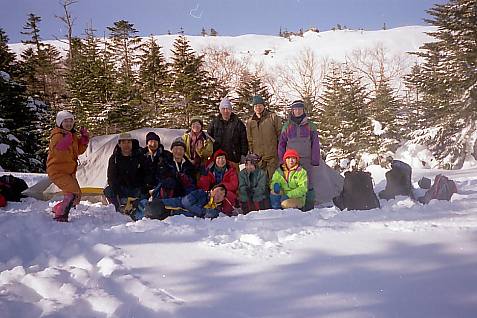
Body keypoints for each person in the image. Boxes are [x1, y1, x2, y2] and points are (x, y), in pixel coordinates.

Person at [46, 110, 89, 222]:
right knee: (72, 193)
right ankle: (61, 215)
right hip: (57, 171)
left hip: (69, 171)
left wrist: (84, 140)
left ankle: (57, 208)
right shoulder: (57, 135)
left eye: (71, 121)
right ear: (60, 122)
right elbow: (57, 150)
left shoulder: (72, 136)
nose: (69, 123)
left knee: (77, 197)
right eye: (66, 121)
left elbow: (78, 151)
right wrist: (63, 143)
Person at [278, 100, 320, 210]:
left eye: (299, 109)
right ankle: (293, 206)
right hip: (291, 160)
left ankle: (309, 206)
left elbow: (315, 143)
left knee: (308, 183)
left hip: (306, 158)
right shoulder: (287, 126)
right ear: (292, 111)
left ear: (303, 110)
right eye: (295, 109)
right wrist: (282, 160)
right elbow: (281, 144)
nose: (297, 111)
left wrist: (315, 159)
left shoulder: (310, 126)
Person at [104, 133, 145, 213]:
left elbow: (145, 173)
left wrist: (141, 185)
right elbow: (111, 177)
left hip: (135, 188)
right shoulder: (114, 158)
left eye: (129, 142)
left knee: (144, 193)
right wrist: (117, 189)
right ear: (119, 144)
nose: (126, 145)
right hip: (121, 189)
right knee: (108, 190)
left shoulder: (139, 157)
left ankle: (135, 206)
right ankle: (118, 207)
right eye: (123, 142)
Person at [246, 95, 282, 178]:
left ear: (263, 106)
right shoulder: (250, 122)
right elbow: (249, 139)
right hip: (258, 158)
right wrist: (251, 153)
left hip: (272, 157)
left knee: (273, 181)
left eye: (260, 105)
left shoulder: (273, 117)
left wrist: (279, 150)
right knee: (260, 182)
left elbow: (280, 135)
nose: (258, 107)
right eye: (255, 106)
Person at [145, 184, 228, 220]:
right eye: (217, 192)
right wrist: (202, 212)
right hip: (173, 204)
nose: (218, 195)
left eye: (221, 195)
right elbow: (186, 202)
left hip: (171, 214)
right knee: (149, 207)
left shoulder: (216, 209)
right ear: (211, 190)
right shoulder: (201, 193)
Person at [207, 97, 248, 170]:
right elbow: (208, 139)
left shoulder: (238, 123)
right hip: (218, 159)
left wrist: (243, 154)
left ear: (231, 110)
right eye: (223, 109)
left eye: (228, 108)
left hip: (233, 158)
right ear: (220, 110)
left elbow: (244, 140)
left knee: (233, 179)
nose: (226, 111)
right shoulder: (214, 123)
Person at [198, 149, 238, 215]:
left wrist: (220, 186)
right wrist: (204, 177)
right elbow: (203, 186)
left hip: (225, 191)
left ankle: (225, 213)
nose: (221, 161)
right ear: (215, 160)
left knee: (228, 195)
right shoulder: (210, 170)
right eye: (218, 158)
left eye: (223, 158)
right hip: (211, 191)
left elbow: (234, 185)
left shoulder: (231, 170)